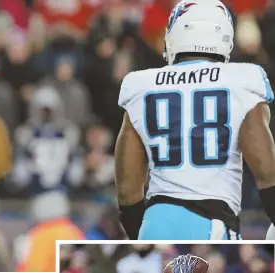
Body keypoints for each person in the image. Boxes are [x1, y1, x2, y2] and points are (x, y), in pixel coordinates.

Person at [115, 0, 275, 240]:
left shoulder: (139, 85)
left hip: (155, 223)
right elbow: (267, 174)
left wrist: (143, 236)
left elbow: (128, 192)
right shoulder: (244, 79)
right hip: (213, 225)